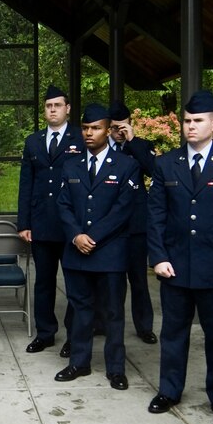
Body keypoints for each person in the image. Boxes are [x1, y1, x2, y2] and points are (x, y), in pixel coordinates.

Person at [146, 90, 213, 424]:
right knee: (173, 333)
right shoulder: (166, 164)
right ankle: (169, 390)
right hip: (174, 266)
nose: (190, 127)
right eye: (187, 121)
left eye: (198, 121)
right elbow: (156, 216)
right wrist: (158, 257)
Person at [54, 103, 139, 390]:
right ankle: (79, 362)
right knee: (80, 309)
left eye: (96, 128)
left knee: (113, 311)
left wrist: (94, 237)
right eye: (86, 128)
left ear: (108, 130)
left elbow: (123, 209)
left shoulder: (127, 166)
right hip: (76, 252)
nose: (89, 133)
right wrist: (76, 235)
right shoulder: (71, 165)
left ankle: (116, 368)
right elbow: (63, 205)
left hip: (110, 252)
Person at [18, 85, 84, 358]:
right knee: (43, 282)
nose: (53, 109)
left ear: (68, 108)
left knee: (74, 285)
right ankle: (45, 333)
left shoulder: (81, 138)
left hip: (71, 226)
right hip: (42, 224)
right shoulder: (33, 141)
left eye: (58, 105)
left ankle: (74, 336)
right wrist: (24, 222)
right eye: (48, 106)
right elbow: (26, 183)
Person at [107, 101, 158, 344]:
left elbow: (154, 171)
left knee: (138, 280)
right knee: (109, 281)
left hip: (136, 224)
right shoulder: (100, 148)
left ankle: (144, 326)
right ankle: (103, 323)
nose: (118, 132)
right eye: (114, 128)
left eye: (122, 127)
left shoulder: (142, 146)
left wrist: (133, 141)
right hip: (109, 225)